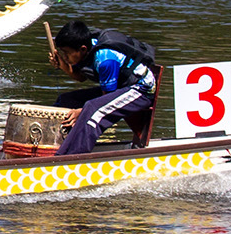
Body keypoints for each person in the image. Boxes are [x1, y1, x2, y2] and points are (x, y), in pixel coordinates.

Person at [49, 18, 158, 156]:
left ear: (82, 49)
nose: (65, 56)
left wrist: (81, 112)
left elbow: (105, 101)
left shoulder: (105, 60)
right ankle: (55, 146)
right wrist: (63, 65)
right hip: (121, 86)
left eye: (66, 53)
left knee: (94, 110)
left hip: (141, 90)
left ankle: (72, 158)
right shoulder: (89, 47)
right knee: (65, 101)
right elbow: (81, 76)